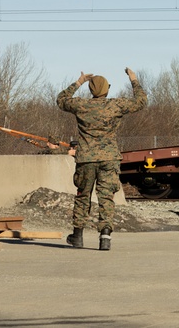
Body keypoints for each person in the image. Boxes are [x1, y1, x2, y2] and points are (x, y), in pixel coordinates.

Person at [55, 67, 147, 250]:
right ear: (107, 89)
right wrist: (134, 80)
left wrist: (79, 82)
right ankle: (105, 236)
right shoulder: (116, 105)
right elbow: (141, 101)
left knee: (83, 196)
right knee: (106, 197)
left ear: (91, 90)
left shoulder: (81, 105)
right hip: (109, 159)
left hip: (86, 159)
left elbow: (61, 99)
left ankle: (78, 236)